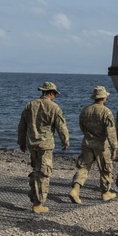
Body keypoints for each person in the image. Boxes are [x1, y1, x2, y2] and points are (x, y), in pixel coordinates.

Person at [18, 81, 70, 213]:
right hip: (45, 145)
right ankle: (38, 203)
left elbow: (22, 125)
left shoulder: (30, 105)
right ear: (51, 93)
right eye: (55, 94)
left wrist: (21, 142)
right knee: (44, 173)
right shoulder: (54, 107)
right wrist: (65, 141)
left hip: (32, 144)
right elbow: (61, 126)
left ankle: (33, 193)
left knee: (36, 170)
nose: (55, 97)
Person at [69, 86, 118, 204]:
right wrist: (114, 147)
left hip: (87, 143)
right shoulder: (106, 112)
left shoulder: (86, 110)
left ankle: (75, 189)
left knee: (83, 167)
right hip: (101, 145)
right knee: (106, 169)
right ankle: (105, 192)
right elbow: (110, 131)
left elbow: (82, 126)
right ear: (104, 98)